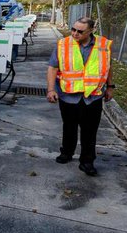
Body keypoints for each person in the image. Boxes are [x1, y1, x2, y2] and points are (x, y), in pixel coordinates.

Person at [46, 17, 114, 176]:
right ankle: (67, 152)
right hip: (68, 95)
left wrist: (110, 86)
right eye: (73, 29)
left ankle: (87, 161)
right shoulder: (63, 44)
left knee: (90, 131)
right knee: (68, 126)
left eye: (80, 31)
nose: (75, 33)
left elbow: (108, 67)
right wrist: (51, 90)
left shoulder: (103, 45)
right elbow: (52, 68)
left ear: (91, 31)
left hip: (93, 97)